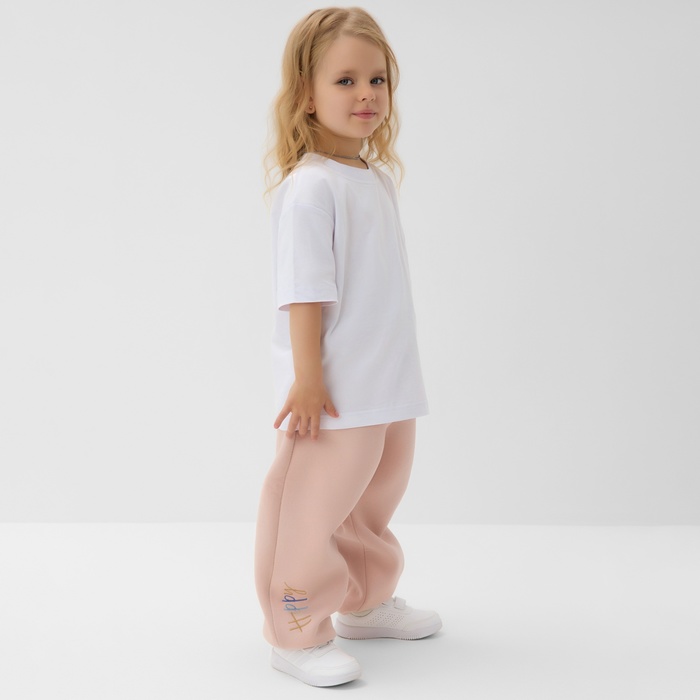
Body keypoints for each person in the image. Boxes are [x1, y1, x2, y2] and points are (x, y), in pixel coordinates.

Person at [254, 6, 442, 688]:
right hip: (334, 394)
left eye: (377, 79)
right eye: (345, 81)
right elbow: (304, 293)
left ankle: (364, 600)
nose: (366, 94)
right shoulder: (312, 188)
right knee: (310, 512)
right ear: (307, 94)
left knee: (370, 506)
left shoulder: (374, 178)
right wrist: (307, 378)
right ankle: (296, 630)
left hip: (387, 386)